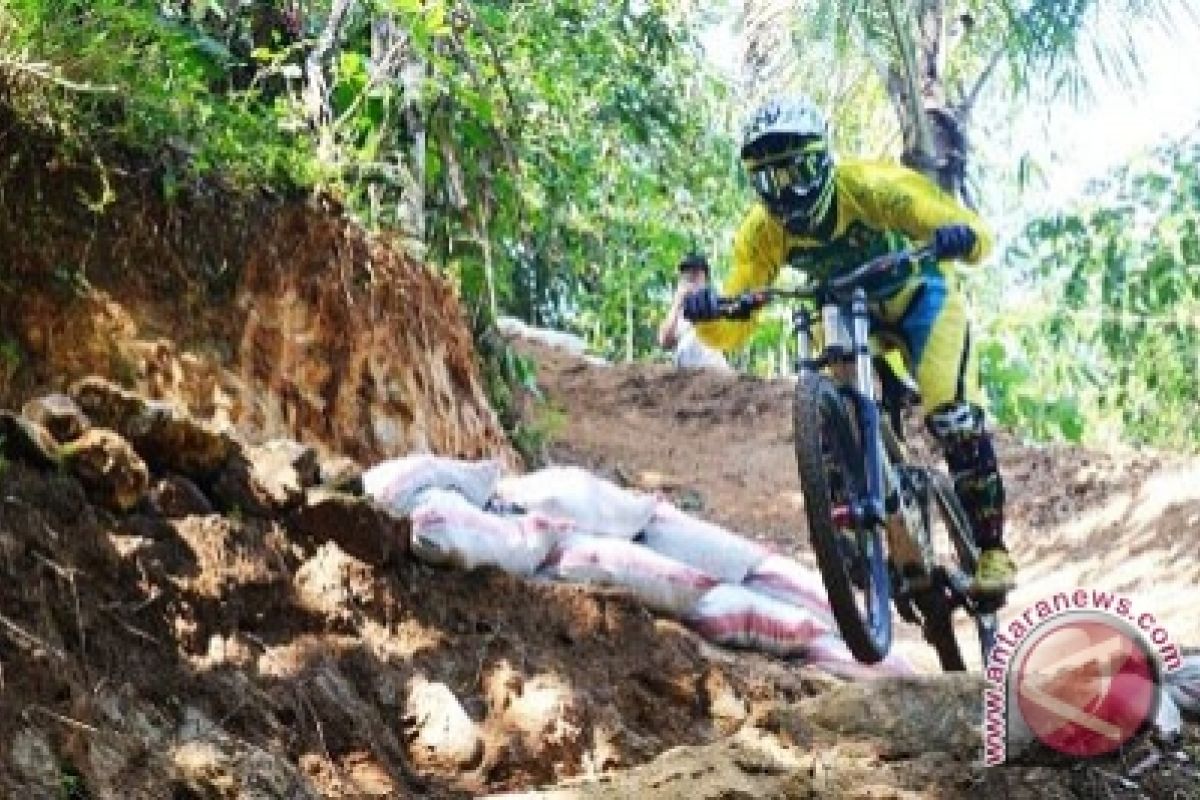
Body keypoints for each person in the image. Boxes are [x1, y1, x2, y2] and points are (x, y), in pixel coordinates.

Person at [682, 95, 1016, 597]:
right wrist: (711, 313)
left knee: (950, 413)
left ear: (822, 161)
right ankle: (855, 535)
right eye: (772, 179)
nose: (788, 190)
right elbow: (739, 309)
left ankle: (992, 551)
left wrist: (958, 237)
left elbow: (966, 230)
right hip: (840, 312)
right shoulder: (762, 232)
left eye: (797, 171)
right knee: (829, 415)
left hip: (918, 299)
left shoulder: (870, 187)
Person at [658, 252, 732, 372]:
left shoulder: (716, 302)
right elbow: (664, 342)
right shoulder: (677, 313)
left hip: (715, 371)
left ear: (705, 279)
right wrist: (677, 303)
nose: (690, 276)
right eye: (686, 272)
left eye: (696, 272)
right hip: (686, 377)